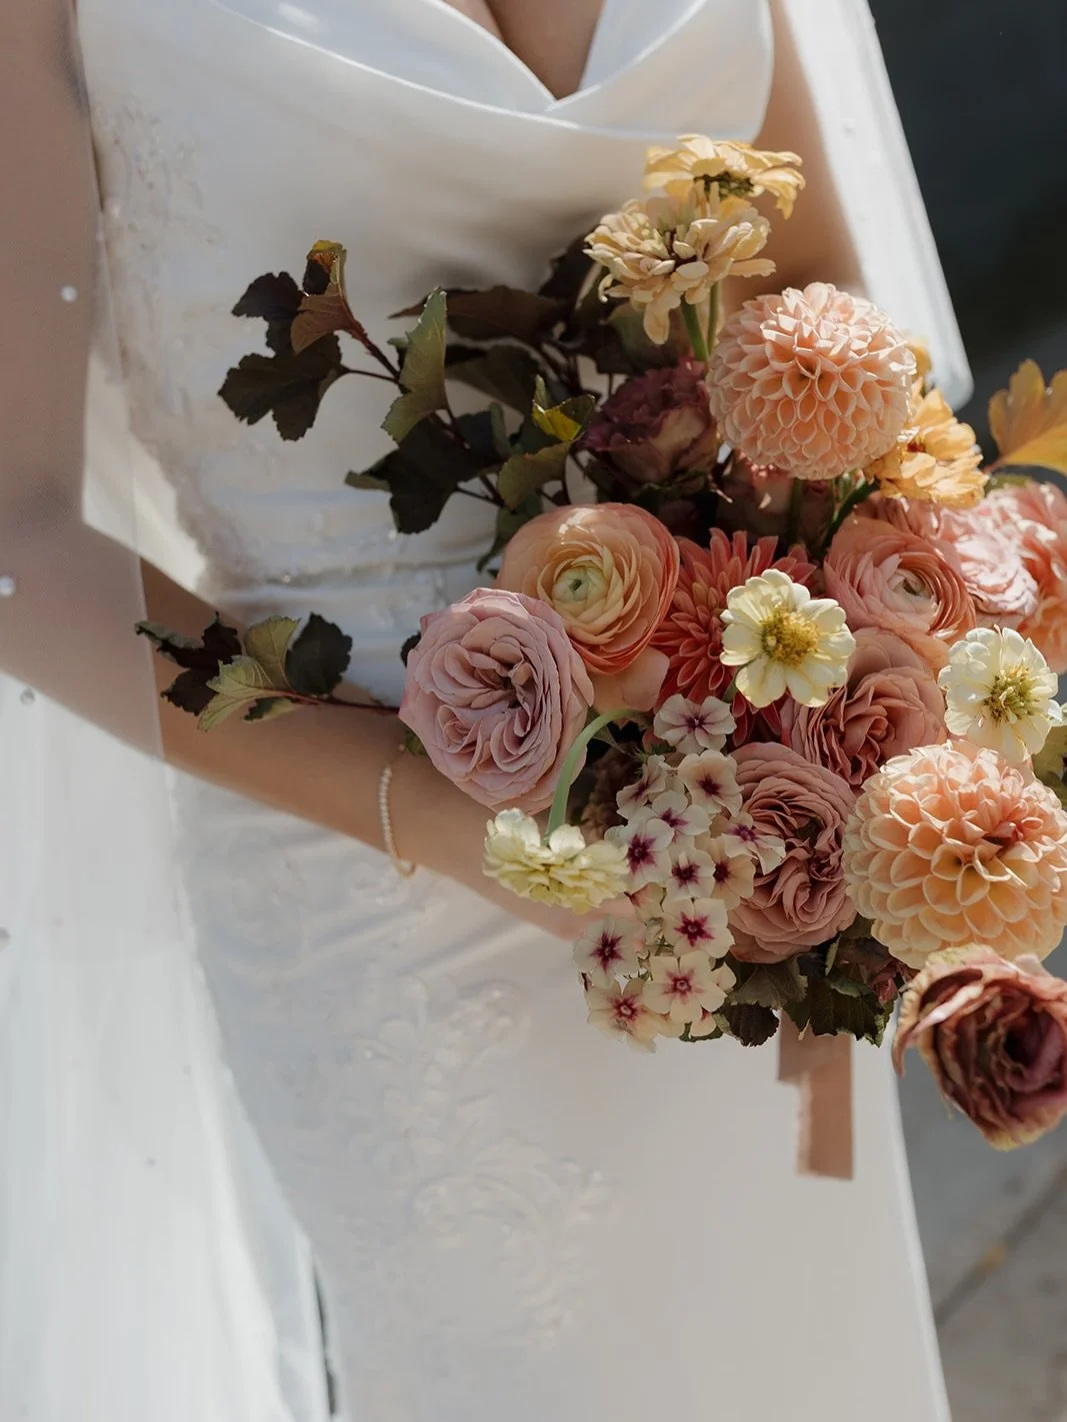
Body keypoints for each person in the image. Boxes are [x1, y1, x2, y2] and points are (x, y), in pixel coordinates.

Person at [1, 1, 961, 1417]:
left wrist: (865, 665)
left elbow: (810, 284)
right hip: (379, 897)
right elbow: (22, 541)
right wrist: (444, 817)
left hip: (742, 830)